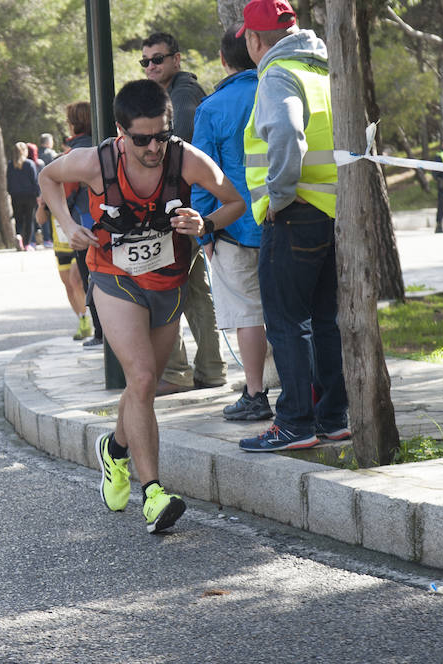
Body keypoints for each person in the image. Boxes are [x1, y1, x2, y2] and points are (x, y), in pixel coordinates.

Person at [39, 79, 245, 533]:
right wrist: (68, 222)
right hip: (115, 279)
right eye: (142, 139)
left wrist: (204, 222)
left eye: (162, 135)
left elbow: (234, 202)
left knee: (142, 388)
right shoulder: (96, 162)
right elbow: (47, 176)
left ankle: (114, 448)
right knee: (144, 375)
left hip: (169, 282)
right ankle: (153, 492)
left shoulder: (186, 159)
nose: (154, 147)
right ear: (120, 131)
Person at [236, 0, 349, 452]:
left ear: (253, 38)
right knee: (325, 321)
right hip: (329, 212)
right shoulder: (321, 71)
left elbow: (285, 133)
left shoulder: (277, 74)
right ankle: (333, 417)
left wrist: (278, 197)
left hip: (294, 212)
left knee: (286, 322)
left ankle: (295, 423)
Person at [192, 26, 272, 421]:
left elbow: (204, 176)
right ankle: (305, 391)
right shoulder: (278, 91)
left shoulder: (211, 107)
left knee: (246, 315)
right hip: (281, 221)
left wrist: (205, 230)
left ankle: (256, 393)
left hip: (233, 229)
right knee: (292, 314)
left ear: (223, 59)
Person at [141, 32, 227, 395]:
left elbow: (180, 148)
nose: (151, 66)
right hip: (190, 207)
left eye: (157, 59)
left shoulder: (183, 94)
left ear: (176, 59)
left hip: (182, 209)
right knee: (194, 291)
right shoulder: (173, 93)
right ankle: (210, 370)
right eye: (145, 61)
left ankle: (175, 372)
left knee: (163, 287)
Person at [64, 101, 104, 349]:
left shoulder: (73, 154)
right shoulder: (104, 145)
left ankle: (100, 332)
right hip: (109, 222)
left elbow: (66, 191)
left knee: (92, 280)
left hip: (84, 226)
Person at [36, 185, 92, 341]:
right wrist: (41, 206)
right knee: (68, 287)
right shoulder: (49, 191)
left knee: (76, 281)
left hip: (76, 243)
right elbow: (41, 219)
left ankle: (89, 319)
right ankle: (82, 320)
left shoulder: (77, 188)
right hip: (60, 246)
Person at [6, 141, 40, 252]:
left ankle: (19, 235)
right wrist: (38, 195)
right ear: (24, 151)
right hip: (29, 195)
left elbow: (8, 182)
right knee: (29, 220)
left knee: (18, 219)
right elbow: (35, 181)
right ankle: (27, 244)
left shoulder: (10, 165)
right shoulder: (29, 164)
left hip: (16, 196)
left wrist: (11, 193)